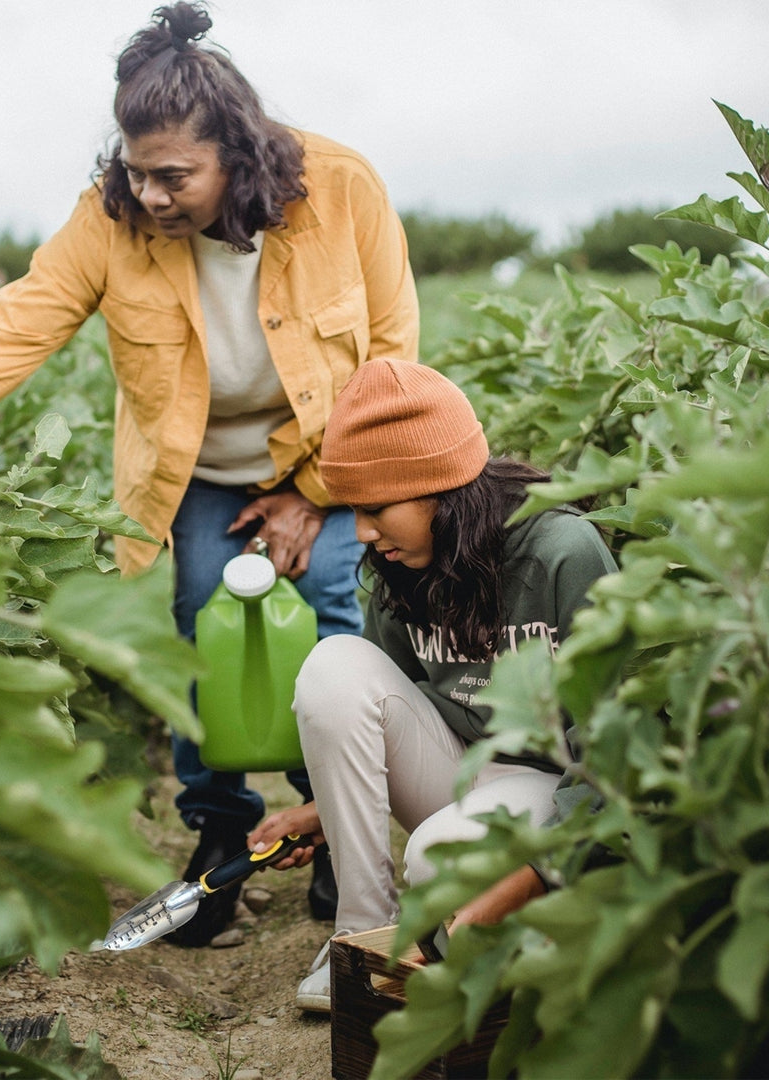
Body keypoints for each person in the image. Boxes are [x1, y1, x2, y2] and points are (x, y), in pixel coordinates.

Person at [0, 2, 419, 946]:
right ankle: (219, 846)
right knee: (201, 640)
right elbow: (16, 324)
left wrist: (312, 493)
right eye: (134, 169)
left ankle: (340, 835)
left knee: (331, 629)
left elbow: (393, 351)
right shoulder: (109, 221)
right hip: (195, 472)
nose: (150, 194)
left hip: (320, 462)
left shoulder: (343, 188)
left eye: (173, 176)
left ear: (235, 152)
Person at [247, 359, 618, 1012]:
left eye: (375, 509)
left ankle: (511, 923)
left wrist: (517, 884)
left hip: (555, 787)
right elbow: (383, 710)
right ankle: (362, 939)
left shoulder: (563, 552)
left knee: (439, 859)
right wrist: (327, 813)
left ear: (440, 487)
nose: (362, 532)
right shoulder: (400, 566)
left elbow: (615, 752)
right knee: (333, 664)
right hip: (464, 769)